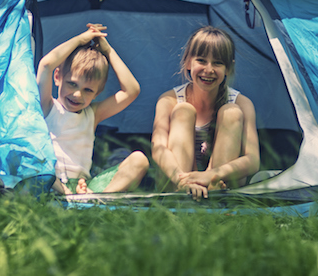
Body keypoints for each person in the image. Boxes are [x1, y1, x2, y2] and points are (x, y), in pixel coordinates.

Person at [37, 23, 149, 195]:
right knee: (35, 168)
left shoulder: (93, 114)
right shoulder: (48, 106)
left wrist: (108, 51)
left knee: (139, 160)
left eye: (87, 90)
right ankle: (72, 198)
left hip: (85, 186)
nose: (77, 94)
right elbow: (46, 65)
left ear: (97, 93)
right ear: (58, 77)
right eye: (72, 84)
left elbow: (132, 90)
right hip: (51, 181)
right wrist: (80, 40)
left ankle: (100, 200)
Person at [151, 26, 260, 200]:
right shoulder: (169, 100)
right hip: (177, 181)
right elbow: (158, 149)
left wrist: (212, 175)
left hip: (219, 183)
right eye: (201, 60)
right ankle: (182, 197)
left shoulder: (242, 103)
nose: (208, 70)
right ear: (188, 62)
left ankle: (216, 198)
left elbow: (253, 160)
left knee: (232, 112)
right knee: (183, 110)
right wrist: (182, 179)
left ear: (228, 68)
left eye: (217, 63)